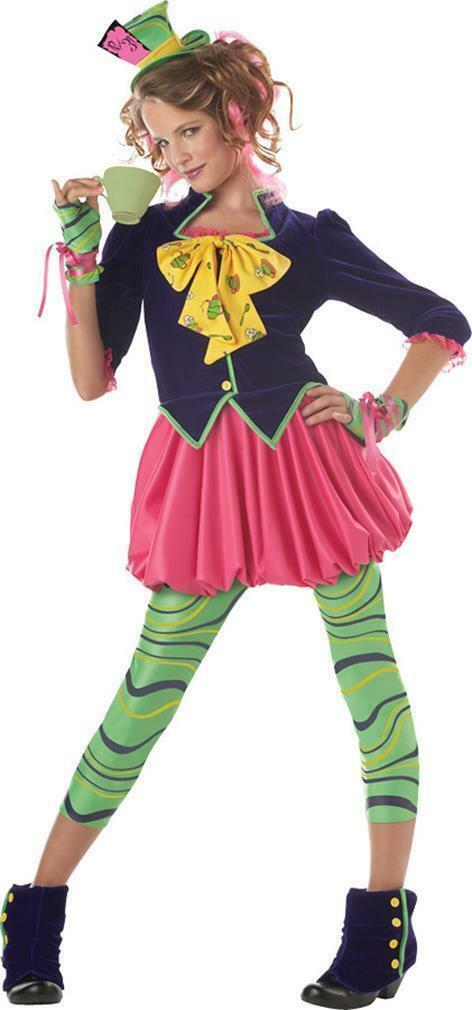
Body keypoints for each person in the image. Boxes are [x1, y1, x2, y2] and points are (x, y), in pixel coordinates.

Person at [2, 2, 470, 1006]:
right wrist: (82, 252)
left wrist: (380, 410)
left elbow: (439, 321)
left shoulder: (308, 238)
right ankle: (34, 915)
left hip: (307, 477)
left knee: (371, 690)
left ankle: (380, 930)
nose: (172, 154)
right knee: (142, 699)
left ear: (238, 120)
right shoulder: (144, 235)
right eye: (156, 137)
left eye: (188, 131)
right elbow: (90, 381)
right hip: (202, 486)